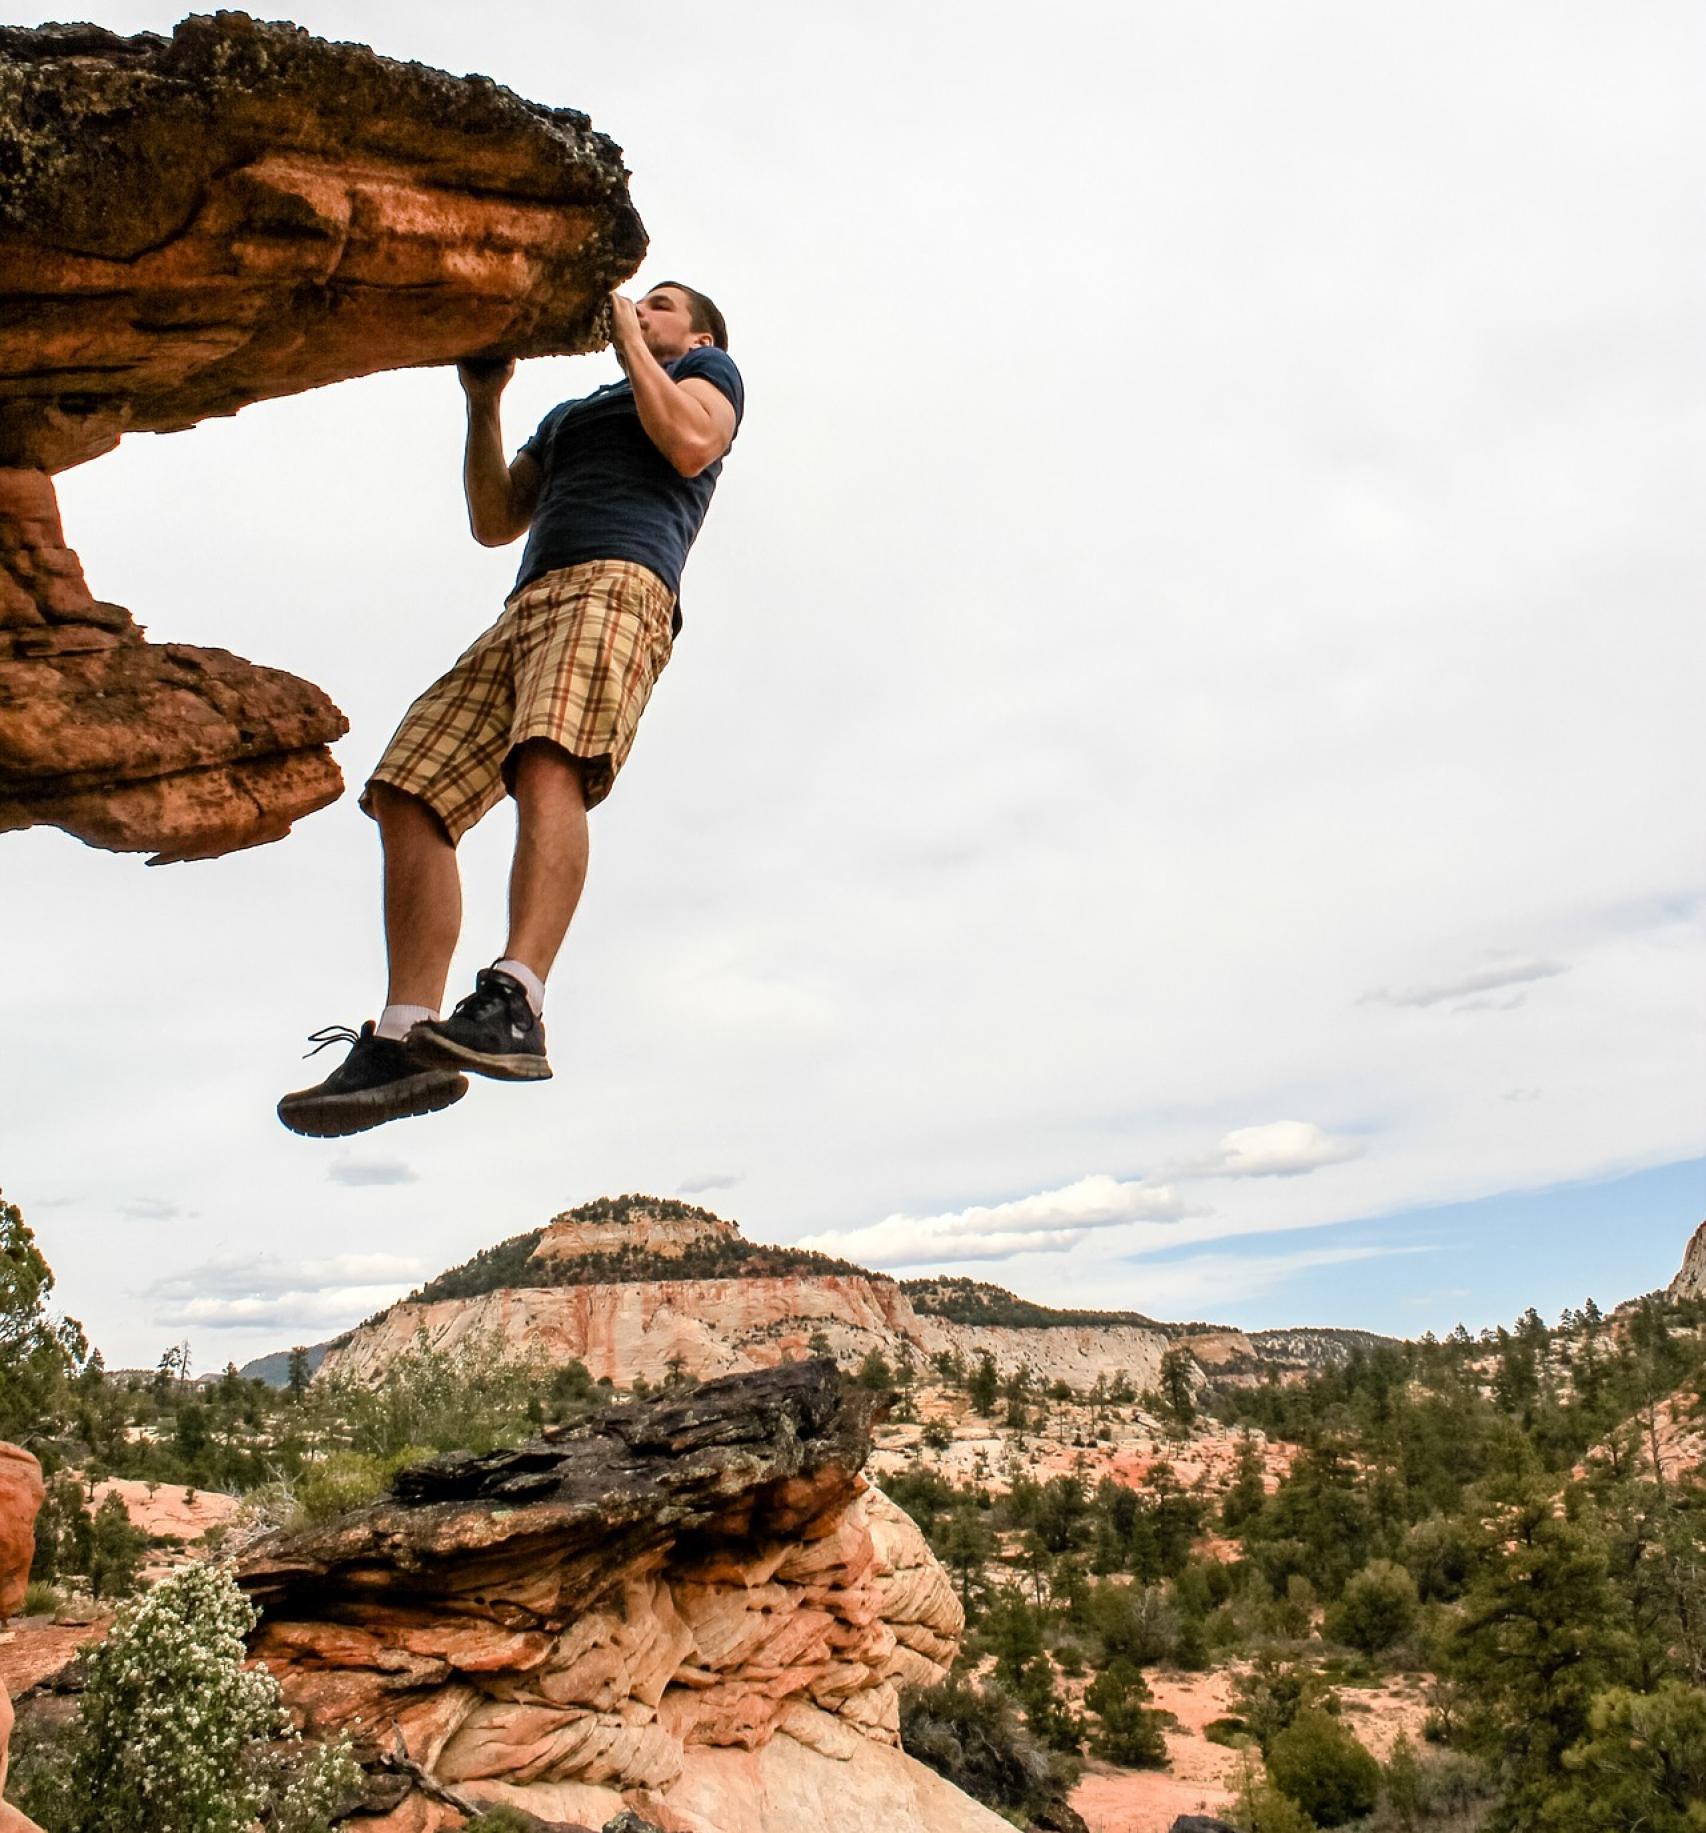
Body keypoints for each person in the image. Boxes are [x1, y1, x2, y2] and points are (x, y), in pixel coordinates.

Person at [278, 282, 743, 1137]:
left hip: (619, 581)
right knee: (409, 786)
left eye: (661, 304)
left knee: (548, 756)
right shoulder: (572, 416)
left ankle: (516, 999)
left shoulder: (711, 373)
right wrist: (483, 401)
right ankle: (404, 1035)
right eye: (638, 303)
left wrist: (625, 338)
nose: (642, 309)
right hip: (524, 604)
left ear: (700, 332)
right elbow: (494, 518)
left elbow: (687, 442)